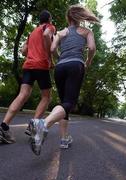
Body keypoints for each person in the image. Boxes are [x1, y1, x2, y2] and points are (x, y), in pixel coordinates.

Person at [28, 5, 99, 155]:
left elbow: (52, 49)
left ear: (68, 18)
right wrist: (88, 62)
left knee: (63, 104)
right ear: (79, 17)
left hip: (60, 67)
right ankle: (43, 124)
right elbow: (92, 48)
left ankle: (64, 139)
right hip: (76, 65)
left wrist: (60, 59)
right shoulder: (87, 32)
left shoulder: (60, 32)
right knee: (69, 104)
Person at [0, 10, 56, 144]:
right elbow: (46, 35)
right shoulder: (49, 27)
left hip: (28, 66)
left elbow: (23, 51)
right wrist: (50, 58)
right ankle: (33, 126)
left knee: (22, 95)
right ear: (49, 19)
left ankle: (3, 127)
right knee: (46, 97)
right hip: (41, 65)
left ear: (39, 20)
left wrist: (33, 53)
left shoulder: (31, 33)